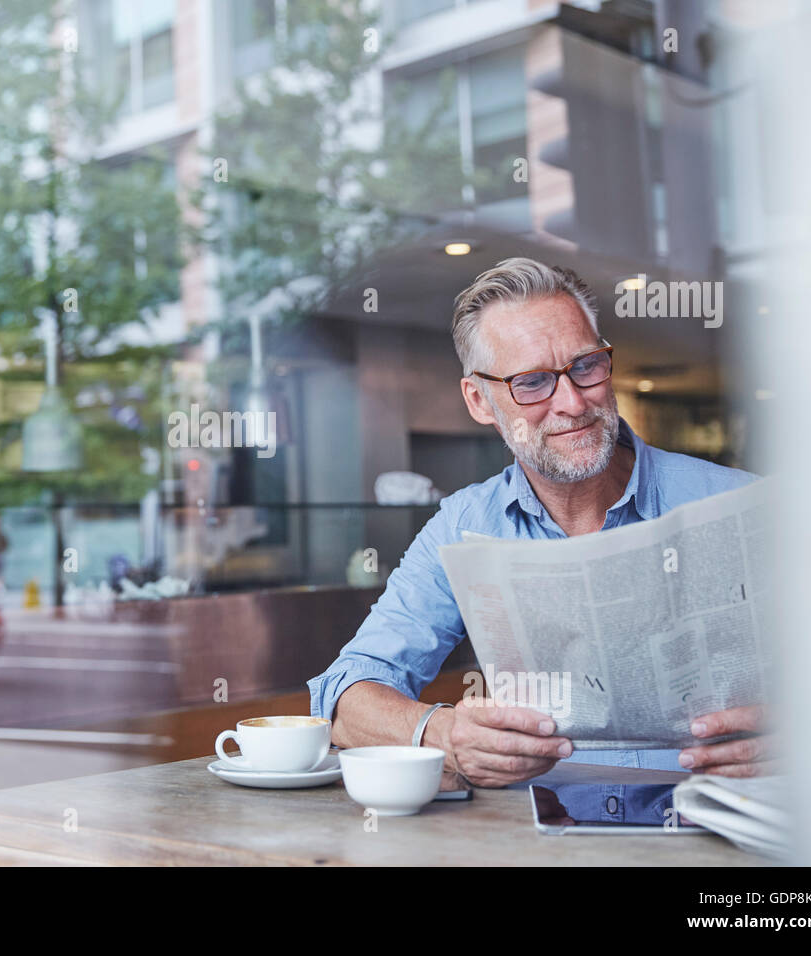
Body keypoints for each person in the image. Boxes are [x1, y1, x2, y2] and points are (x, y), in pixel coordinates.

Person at [308, 258, 773, 789]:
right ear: (479, 400)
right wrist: (445, 734)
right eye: (532, 383)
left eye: (587, 366)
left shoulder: (738, 502)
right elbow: (344, 696)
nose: (573, 403)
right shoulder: (464, 523)